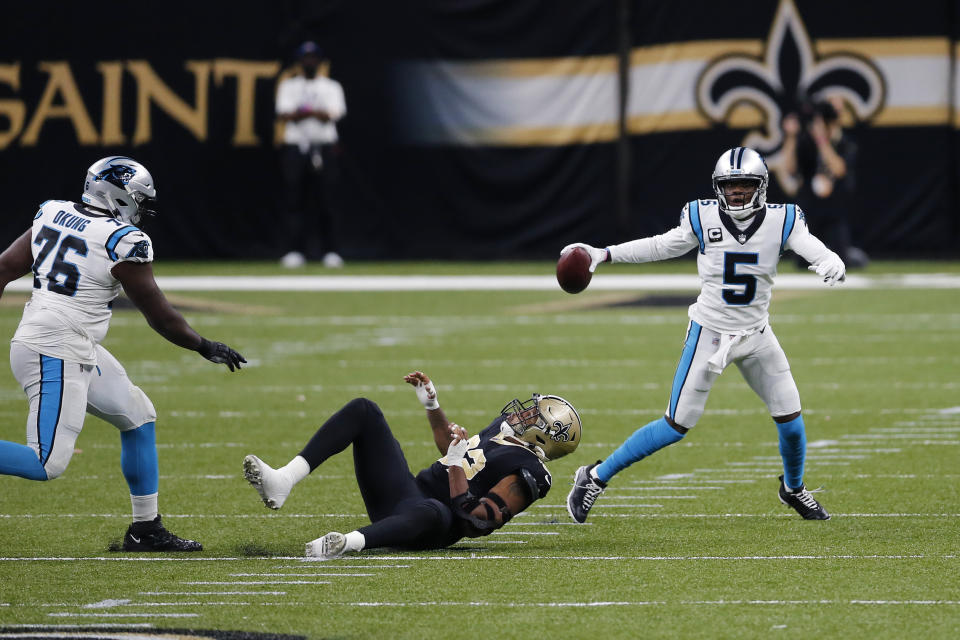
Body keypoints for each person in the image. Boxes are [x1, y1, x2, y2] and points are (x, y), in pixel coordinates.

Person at [564, 147, 844, 524]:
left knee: (792, 421)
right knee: (675, 425)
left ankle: (793, 489)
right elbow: (661, 245)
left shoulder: (784, 219)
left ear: (762, 187)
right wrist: (605, 254)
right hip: (710, 333)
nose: (738, 194)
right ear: (718, 188)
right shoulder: (702, 216)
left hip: (757, 334)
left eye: (745, 186)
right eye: (730, 187)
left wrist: (829, 258)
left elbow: (809, 246)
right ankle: (594, 477)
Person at [0, 156, 246, 551]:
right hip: (56, 350)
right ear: (118, 195)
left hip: (65, 343)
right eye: (139, 200)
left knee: (138, 415)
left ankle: (145, 529)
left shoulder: (53, 212)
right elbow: (160, 315)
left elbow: (5, 268)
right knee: (45, 462)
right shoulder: (121, 240)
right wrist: (204, 345)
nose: (142, 210)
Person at [242, 371, 581, 559]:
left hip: (433, 523)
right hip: (406, 493)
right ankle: (283, 479)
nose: (521, 413)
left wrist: (453, 464)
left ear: (545, 434)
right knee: (365, 410)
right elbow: (447, 443)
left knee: (434, 510)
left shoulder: (532, 472)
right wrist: (432, 405)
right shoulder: (503, 432)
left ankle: (347, 543)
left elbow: (475, 518)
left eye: (533, 414)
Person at [276, 40, 347, 269]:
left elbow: (333, 114)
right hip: (297, 147)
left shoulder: (331, 87)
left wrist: (304, 112)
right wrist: (315, 112)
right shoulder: (289, 86)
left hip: (323, 147)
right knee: (294, 199)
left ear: (320, 61)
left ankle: (331, 251)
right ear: (299, 62)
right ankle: (295, 251)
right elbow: (285, 114)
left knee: (327, 199)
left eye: (313, 58)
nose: (309, 62)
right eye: (305, 58)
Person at [781, 98, 868, 268]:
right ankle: (820, 250)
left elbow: (839, 169)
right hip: (810, 209)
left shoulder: (845, 143)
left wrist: (822, 140)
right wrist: (791, 137)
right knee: (802, 264)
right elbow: (790, 168)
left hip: (833, 211)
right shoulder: (806, 142)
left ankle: (849, 253)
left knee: (843, 261)